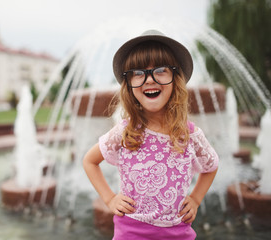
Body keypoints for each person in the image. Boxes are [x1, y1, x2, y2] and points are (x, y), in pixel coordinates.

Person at [83, 30, 219, 240]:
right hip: (131, 232)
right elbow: (89, 161)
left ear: (176, 79)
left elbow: (211, 166)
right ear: (129, 85)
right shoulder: (125, 131)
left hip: (178, 233)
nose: (149, 79)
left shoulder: (190, 135)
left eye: (161, 70)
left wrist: (196, 198)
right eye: (138, 73)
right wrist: (110, 199)